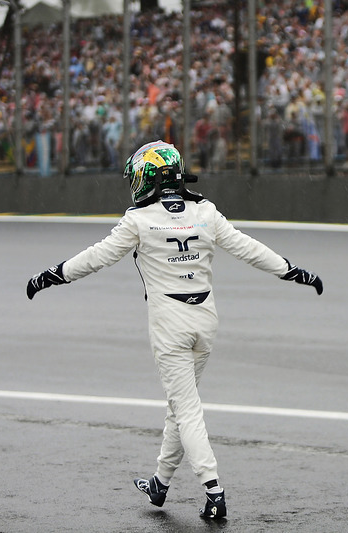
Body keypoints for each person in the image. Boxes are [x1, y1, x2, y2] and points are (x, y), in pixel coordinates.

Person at [25, 140, 323, 519]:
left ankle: (214, 492)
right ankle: (159, 483)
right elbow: (249, 248)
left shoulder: (139, 220)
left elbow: (95, 258)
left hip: (170, 325)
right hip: (206, 322)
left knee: (186, 410)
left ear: (149, 177)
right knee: (179, 407)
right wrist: (293, 272)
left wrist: (50, 276)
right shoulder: (206, 211)